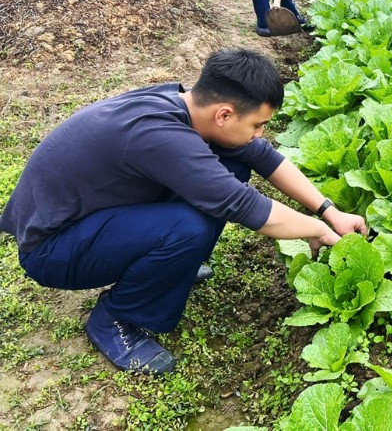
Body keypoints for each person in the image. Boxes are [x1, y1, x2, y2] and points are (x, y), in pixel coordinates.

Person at [0, 49, 367, 375]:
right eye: (257, 125)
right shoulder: (159, 135)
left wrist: (328, 210)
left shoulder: (183, 105)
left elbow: (261, 156)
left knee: (232, 168)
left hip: (94, 219)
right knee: (185, 227)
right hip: (52, 249)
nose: (260, 134)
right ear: (224, 113)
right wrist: (317, 231)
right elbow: (240, 204)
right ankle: (114, 320)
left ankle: (171, 268)